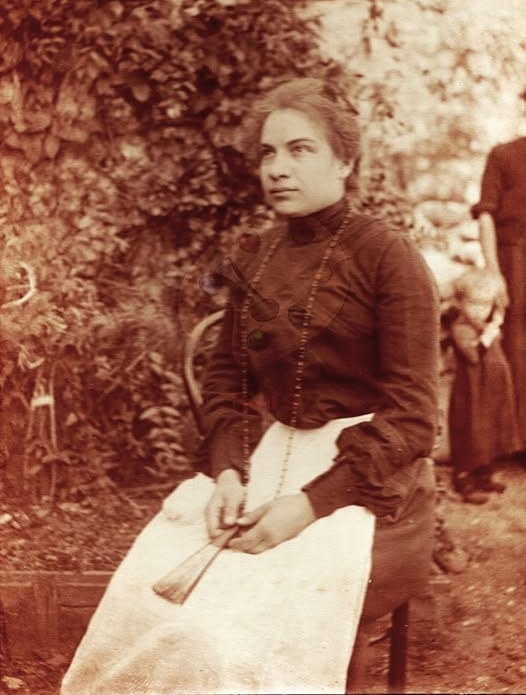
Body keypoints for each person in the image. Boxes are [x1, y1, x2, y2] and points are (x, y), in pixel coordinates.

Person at [61, 78, 439, 695]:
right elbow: (227, 380)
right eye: (267, 152)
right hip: (267, 465)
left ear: (344, 161)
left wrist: (310, 505)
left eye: (300, 149)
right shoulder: (255, 256)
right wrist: (229, 471)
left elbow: (415, 417)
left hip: (370, 491)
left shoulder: (388, 257)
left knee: (226, 633)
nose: (277, 168)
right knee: (149, 599)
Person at [445, 268, 520, 504]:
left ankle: (483, 474)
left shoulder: (485, 324)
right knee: (471, 428)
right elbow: (473, 355)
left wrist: (493, 322)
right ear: (461, 302)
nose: (480, 310)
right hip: (471, 390)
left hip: (490, 387)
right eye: (474, 304)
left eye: (486, 305)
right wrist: (489, 332)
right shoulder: (461, 327)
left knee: (488, 429)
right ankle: (464, 479)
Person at [472, 136, 526, 453]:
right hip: (514, 260)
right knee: (516, 346)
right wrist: (494, 273)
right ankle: (517, 440)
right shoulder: (504, 155)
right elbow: (486, 216)